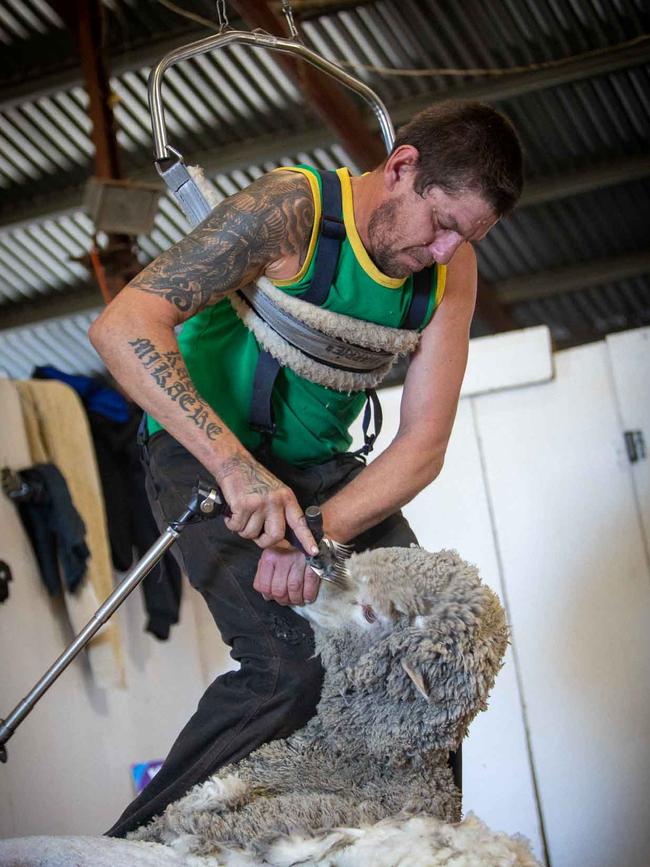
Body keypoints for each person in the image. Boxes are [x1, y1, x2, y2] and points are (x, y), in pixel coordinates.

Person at [92, 99, 523, 836]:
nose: (449, 249)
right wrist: (233, 467)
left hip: (322, 473)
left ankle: (419, 840)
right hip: (205, 453)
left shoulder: (452, 273)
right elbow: (123, 324)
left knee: (429, 645)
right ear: (401, 168)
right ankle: (139, 840)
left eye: (469, 235)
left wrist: (317, 532)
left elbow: (423, 442)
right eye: (443, 223)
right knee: (289, 666)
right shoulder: (290, 211)